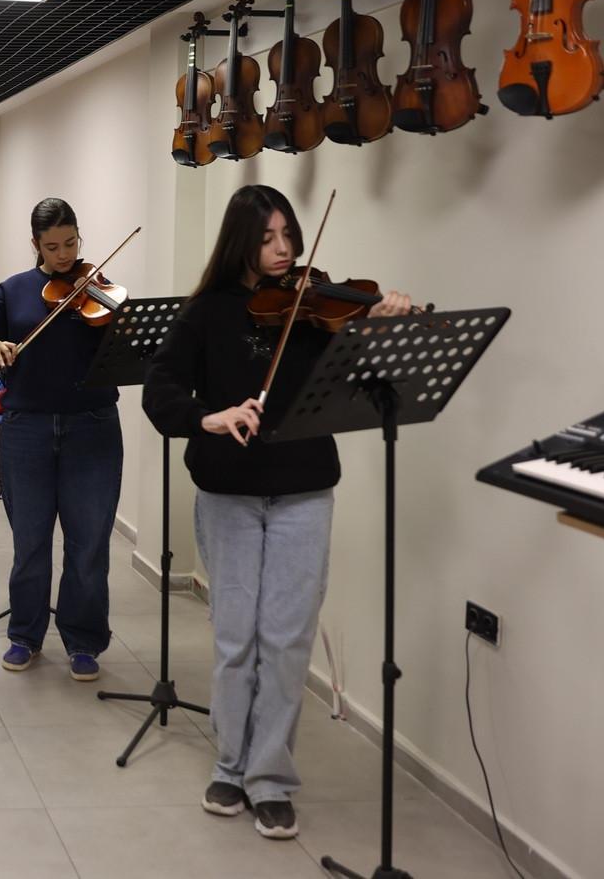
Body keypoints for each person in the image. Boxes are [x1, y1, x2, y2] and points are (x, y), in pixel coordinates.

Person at [142, 184, 412, 841]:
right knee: (238, 639)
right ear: (241, 240)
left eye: (288, 233)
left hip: (303, 488)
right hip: (229, 490)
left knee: (287, 641)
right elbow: (159, 390)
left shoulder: (319, 310)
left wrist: (386, 322)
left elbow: (361, 389)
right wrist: (209, 416)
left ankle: (270, 778)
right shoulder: (207, 311)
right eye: (267, 237)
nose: (283, 248)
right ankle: (230, 765)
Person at [0, 198, 122, 682]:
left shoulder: (99, 290)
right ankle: (25, 634)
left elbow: (129, 342)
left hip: (92, 427)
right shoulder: (15, 291)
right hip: (27, 428)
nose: (64, 255)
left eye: (71, 243)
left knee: (89, 542)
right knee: (30, 542)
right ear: (35, 245)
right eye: (53, 246)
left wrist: (112, 315)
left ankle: (84, 639)